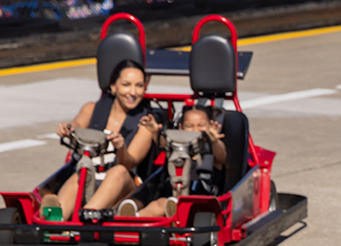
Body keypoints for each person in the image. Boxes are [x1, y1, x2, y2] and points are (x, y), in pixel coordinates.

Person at [44, 59, 162, 218]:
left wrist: (121, 147)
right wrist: (68, 129)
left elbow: (129, 163)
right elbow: (77, 124)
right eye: (126, 85)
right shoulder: (92, 109)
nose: (133, 92)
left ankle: (87, 215)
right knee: (81, 173)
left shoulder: (145, 122)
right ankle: (55, 220)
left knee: (118, 171)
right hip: (91, 175)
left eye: (139, 86)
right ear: (113, 86)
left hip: (125, 186)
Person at [119, 104, 227, 218]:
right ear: (181, 128)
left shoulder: (211, 149)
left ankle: (135, 219)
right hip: (170, 195)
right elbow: (163, 143)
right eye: (190, 126)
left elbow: (222, 156)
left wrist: (214, 141)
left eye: (201, 125)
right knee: (155, 196)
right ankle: (131, 210)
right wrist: (155, 131)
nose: (195, 130)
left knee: (161, 204)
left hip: (198, 199)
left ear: (210, 125)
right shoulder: (175, 147)